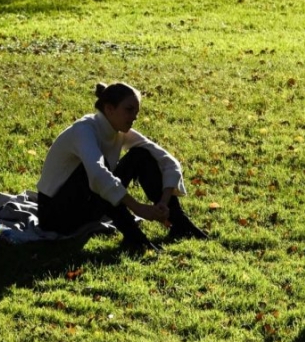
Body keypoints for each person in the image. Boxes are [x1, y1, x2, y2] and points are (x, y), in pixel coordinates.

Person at [37, 81, 208, 252]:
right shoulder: (83, 130)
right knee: (99, 174)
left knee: (141, 155)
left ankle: (180, 224)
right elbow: (98, 176)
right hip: (55, 216)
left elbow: (168, 161)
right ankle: (135, 238)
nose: (134, 116)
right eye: (129, 110)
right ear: (109, 109)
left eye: (136, 112)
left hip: (85, 209)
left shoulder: (117, 131)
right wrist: (138, 208)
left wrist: (164, 202)